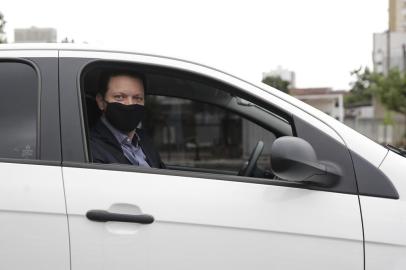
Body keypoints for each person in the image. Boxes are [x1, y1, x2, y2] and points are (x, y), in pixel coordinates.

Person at [89, 69, 165, 168]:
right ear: (101, 102)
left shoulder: (145, 139)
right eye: (119, 97)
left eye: (137, 98)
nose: (130, 104)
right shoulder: (90, 148)